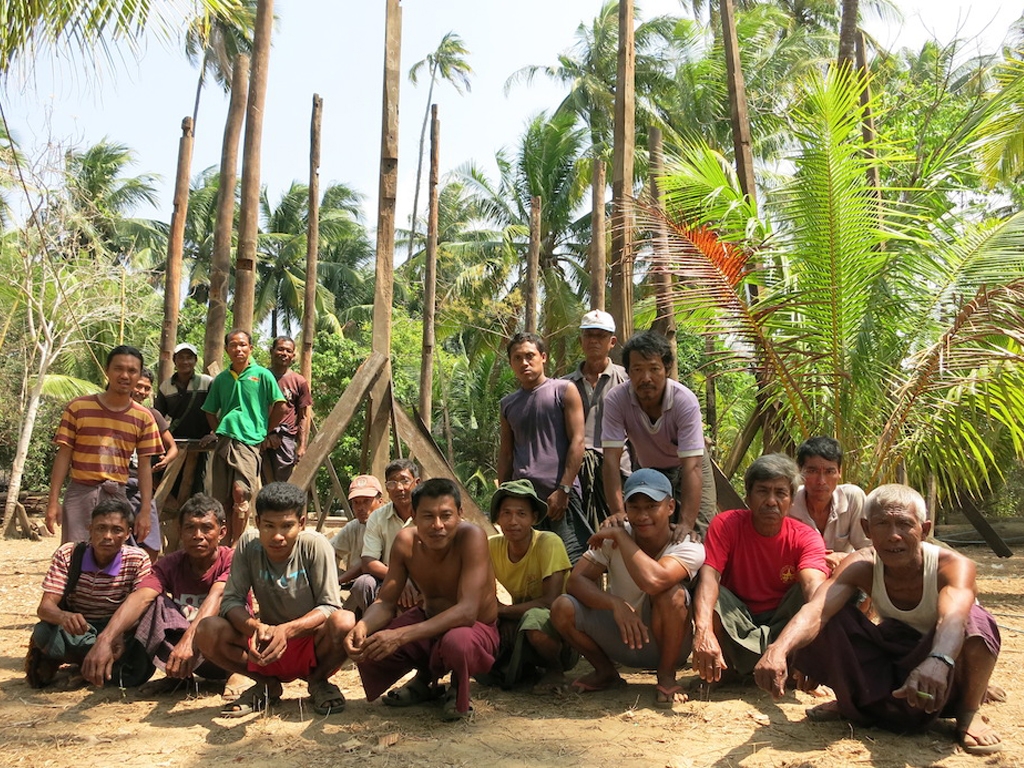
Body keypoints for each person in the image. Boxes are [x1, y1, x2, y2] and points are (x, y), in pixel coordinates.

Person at [754, 484, 1002, 755]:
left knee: (976, 621)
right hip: (894, 654)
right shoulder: (862, 564)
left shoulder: (952, 566)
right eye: (882, 524)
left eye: (905, 524)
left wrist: (939, 660)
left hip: (942, 660)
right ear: (867, 529)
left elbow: (953, 618)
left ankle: (968, 712)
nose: (894, 536)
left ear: (925, 529)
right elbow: (817, 611)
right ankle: (850, 702)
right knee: (832, 618)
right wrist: (778, 649)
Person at [344, 478, 499, 721]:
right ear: (414, 516)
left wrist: (400, 636)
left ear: (460, 514)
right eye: (428, 516)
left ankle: (458, 687)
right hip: (429, 621)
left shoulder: (472, 537)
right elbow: (385, 602)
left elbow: (468, 611)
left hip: (473, 628)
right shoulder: (406, 542)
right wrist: (363, 626)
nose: (438, 525)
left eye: (446, 515)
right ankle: (425, 680)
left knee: (457, 642)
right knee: (372, 645)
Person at [194, 482, 354, 717]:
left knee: (345, 621)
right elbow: (231, 601)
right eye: (269, 526)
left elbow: (330, 606)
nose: (277, 536)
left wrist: (287, 630)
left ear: (301, 524)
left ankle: (319, 682)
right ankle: (265, 685)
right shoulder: (248, 544)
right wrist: (256, 628)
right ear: (257, 523)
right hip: (264, 643)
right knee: (207, 629)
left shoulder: (315, 545)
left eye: (287, 526)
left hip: (311, 642)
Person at [550, 469, 704, 708]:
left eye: (652, 506)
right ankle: (605, 672)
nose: (642, 516)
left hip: (667, 644)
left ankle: (666, 676)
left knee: (673, 595)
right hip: (620, 637)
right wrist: (614, 604)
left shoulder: (688, 545)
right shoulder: (614, 536)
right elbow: (575, 581)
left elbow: (654, 581)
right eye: (635, 507)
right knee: (562, 607)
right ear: (626, 509)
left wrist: (623, 539)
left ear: (671, 507)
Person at [692, 454, 828, 685]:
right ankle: (723, 671)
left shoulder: (806, 537)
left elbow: (812, 586)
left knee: (819, 597)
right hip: (739, 619)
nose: (771, 501)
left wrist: (820, 648)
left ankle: (796, 666)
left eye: (780, 493)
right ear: (748, 496)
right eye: (763, 491)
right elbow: (710, 576)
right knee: (707, 592)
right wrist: (703, 630)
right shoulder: (726, 524)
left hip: (783, 623)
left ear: (791, 500)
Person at [80, 494, 234, 690]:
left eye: (206, 528)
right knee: (154, 603)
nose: (198, 535)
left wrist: (188, 641)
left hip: (225, 653)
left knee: (219, 620)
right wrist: (106, 639)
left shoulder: (232, 560)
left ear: (221, 533)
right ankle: (177, 677)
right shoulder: (171, 564)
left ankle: (236, 675)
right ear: (180, 531)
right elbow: (141, 596)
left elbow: (218, 595)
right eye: (190, 528)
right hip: (186, 656)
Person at [27, 498, 155, 689]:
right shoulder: (68, 554)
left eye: (117, 530)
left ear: (128, 533)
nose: (107, 536)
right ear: (90, 529)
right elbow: (45, 608)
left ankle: (86, 667)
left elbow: (142, 606)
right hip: (80, 629)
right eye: (100, 528)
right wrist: (64, 617)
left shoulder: (138, 559)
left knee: (140, 664)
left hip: (117, 628)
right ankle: (89, 664)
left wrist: (116, 634)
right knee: (43, 633)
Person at [601, 330, 716, 536]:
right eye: (637, 369)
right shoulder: (616, 400)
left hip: (689, 466)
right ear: (628, 372)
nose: (646, 378)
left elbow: (693, 467)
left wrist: (686, 524)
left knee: (697, 532)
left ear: (666, 369)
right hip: (648, 467)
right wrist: (618, 512)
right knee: (644, 528)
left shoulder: (684, 401)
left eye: (654, 369)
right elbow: (611, 460)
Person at [46, 345, 163, 545]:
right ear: (107, 370)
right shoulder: (78, 408)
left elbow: (144, 466)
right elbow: (64, 455)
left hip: (116, 494)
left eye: (132, 371)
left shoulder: (144, 418)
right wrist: (53, 501)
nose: (125, 375)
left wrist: (145, 510)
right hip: (80, 493)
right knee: (75, 555)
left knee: (112, 556)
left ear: (138, 375)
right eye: (118, 369)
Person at [499, 332, 590, 564]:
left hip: (559, 498)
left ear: (543, 357)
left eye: (530, 356)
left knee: (573, 564)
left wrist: (565, 489)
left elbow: (578, 441)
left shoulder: (564, 390)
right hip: (525, 501)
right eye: (517, 358)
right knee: (534, 566)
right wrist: (503, 499)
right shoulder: (508, 404)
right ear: (511, 363)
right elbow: (507, 453)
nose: (524, 363)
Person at [485, 479, 573, 690]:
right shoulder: (491, 546)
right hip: (516, 621)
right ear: (497, 517)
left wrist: (504, 612)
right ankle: (522, 668)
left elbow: (550, 601)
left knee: (533, 619)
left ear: (534, 518)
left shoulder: (548, 542)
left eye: (521, 514)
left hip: (560, 631)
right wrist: (501, 615)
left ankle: (555, 670)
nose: (513, 521)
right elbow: (484, 593)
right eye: (506, 513)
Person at [201, 329, 286, 545]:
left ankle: (237, 545)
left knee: (241, 492)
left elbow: (280, 406)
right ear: (227, 349)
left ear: (250, 348)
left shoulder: (262, 375)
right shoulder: (221, 379)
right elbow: (209, 410)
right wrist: (218, 430)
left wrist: (264, 431)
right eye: (233, 345)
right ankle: (223, 545)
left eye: (242, 345)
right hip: (225, 441)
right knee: (222, 499)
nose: (238, 349)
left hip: (249, 442)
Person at [562, 310, 630, 531]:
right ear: (581, 341)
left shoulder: (627, 379)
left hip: (620, 471)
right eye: (589, 335)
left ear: (612, 342)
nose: (593, 341)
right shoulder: (563, 386)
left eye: (600, 336)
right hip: (577, 476)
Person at [352, 459, 422, 615]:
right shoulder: (377, 517)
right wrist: (399, 579)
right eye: (392, 483)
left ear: (417, 483)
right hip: (387, 577)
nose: (399, 488)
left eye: (405, 481)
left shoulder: (428, 514)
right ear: (386, 488)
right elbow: (369, 562)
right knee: (363, 584)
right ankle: (372, 625)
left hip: (423, 577)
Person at [788, 436, 869, 572]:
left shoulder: (852, 498)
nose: (821, 481)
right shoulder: (789, 503)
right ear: (800, 471)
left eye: (829, 472)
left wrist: (844, 557)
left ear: (839, 473)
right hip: (801, 575)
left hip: (845, 574)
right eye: (812, 471)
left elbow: (869, 550)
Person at [128, 367, 179, 559]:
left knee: (151, 543)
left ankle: (146, 581)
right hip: (116, 483)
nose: (141, 391)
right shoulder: (114, 411)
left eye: (146, 388)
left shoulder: (152, 415)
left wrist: (166, 459)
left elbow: (172, 447)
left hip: (142, 485)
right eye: (138, 386)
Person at [153, 342, 214, 498]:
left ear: (195, 361)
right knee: (173, 483)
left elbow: (219, 409)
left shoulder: (207, 382)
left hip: (203, 442)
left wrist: (214, 433)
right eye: (181, 358)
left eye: (189, 358)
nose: (185, 362)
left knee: (199, 484)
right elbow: (158, 416)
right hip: (176, 442)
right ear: (174, 360)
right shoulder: (166, 386)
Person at [263, 336, 312, 482]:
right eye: (280, 349)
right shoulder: (261, 377)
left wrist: (302, 446)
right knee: (259, 480)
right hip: (260, 436)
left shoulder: (299, 381)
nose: (284, 353)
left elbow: (303, 416)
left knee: (283, 482)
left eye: (288, 351)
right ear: (272, 351)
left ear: (292, 356)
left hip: (285, 438)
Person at [330, 475, 384, 594]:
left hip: (380, 583)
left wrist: (339, 580)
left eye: (366, 501)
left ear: (380, 501)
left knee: (363, 584)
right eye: (356, 503)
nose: (361, 508)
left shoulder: (387, 525)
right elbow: (329, 550)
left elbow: (366, 564)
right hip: (355, 585)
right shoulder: (354, 527)